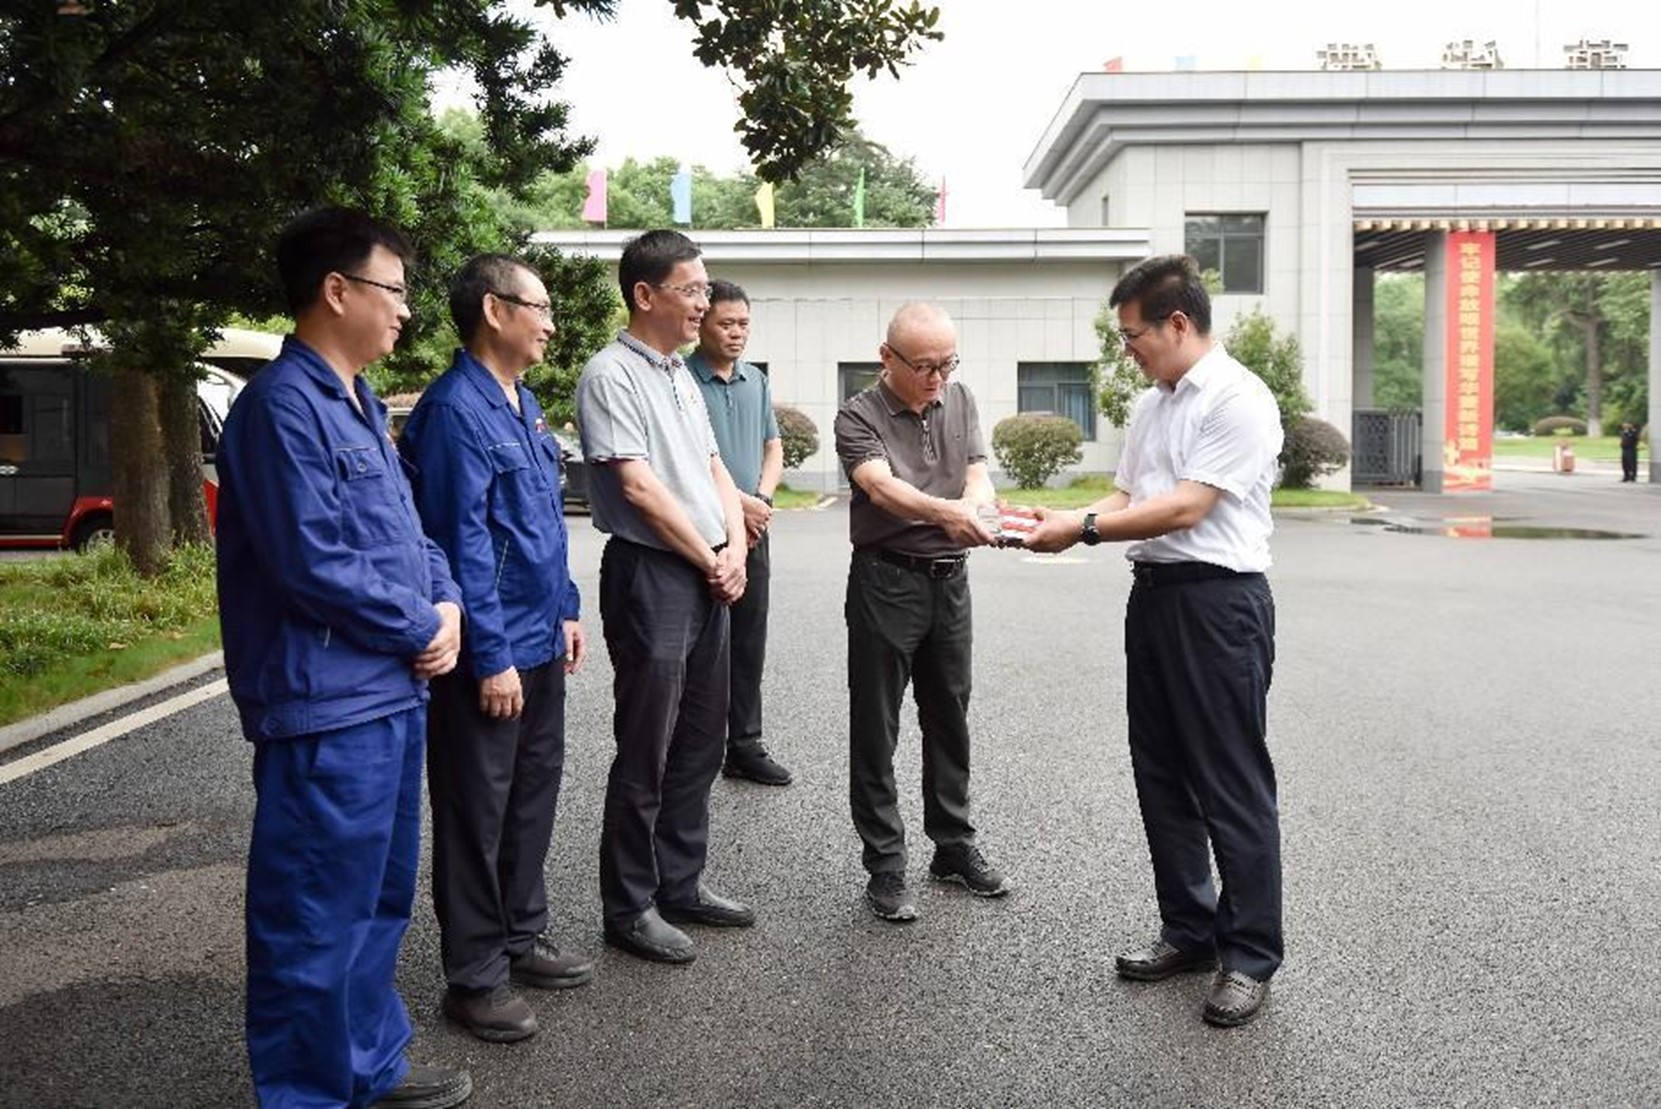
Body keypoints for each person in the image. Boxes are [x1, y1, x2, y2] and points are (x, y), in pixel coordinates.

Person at [216, 207, 472, 1108]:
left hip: (387, 694)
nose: (405, 309)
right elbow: (312, 560)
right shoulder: (280, 409)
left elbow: (413, 532)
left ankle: (368, 1064)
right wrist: (418, 626)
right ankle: (309, 1093)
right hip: (326, 702)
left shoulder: (358, 403)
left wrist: (445, 602)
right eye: (392, 289)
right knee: (312, 918)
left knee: (376, 902)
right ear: (335, 290)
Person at [1025, 254, 1284, 1029]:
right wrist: (1059, 519)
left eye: (1131, 334)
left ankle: (1248, 954)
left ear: (1176, 323)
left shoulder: (1237, 398)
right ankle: (1189, 928)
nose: (1126, 348)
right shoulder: (1152, 404)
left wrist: (1082, 530)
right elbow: (1129, 493)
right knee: (1161, 772)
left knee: (1229, 779)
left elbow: (1184, 508)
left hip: (1219, 603)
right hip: (1155, 598)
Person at [397, 255, 593, 1044]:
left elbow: (543, 521)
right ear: (493, 310)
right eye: (538, 307)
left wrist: (567, 608)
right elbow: (460, 544)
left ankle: (520, 931)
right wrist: (491, 655)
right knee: (475, 809)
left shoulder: (525, 401)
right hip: (496, 645)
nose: (549, 322)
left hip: (540, 635)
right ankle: (475, 974)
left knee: (531, 791)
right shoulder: (453, 411)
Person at [575, 229, 756, 964]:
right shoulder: (610, 374)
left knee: (701, 739)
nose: (704, 304)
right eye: (693, 289)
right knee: (646, 745)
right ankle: (628, 905)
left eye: (706, 289)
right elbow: (638, 488)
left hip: (707, 570)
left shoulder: (680, 372)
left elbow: (714, 468)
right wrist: (710, 556)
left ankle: (680, 882)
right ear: (645, 295)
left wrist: (735, 547)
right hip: (654, 573)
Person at [833, 302, 1011, 924]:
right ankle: (885, 863)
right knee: (876, 725)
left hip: (950, 581)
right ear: (887, 358)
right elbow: (882, 488)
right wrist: (949, 513)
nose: (938, 378)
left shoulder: (959, 398)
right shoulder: (858, 415)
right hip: (886, 580)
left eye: (947, 364)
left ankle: (953, 843)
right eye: (925, 366)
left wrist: (977, 505)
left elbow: (977, 473)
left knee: (950, 715)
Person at [687, 279, 793, 786]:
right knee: (700, 645)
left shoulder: (757, 380)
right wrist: (740, 505)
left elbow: (773, 447)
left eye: (743, 324)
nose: (736, 333)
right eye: (726, 323)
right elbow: (686, 462)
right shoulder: (682, 380)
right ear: (701, 324)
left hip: (753, 531)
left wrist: (762, 502)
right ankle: (693, 749)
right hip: (703, 531)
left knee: (749, 641)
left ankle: (744, 746)